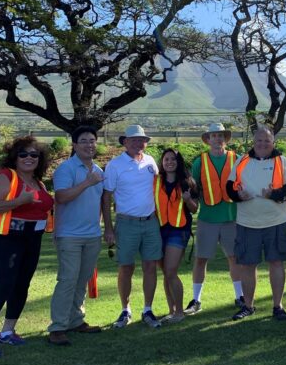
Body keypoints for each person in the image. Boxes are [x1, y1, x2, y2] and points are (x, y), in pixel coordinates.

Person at [0, 136, 54, 358]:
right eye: (23, 154)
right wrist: (19, 201)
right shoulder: (6, 177)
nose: (29, 158)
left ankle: (7, 332)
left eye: (34, 154)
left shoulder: (39, 182)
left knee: (21, 285)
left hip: (32, 238)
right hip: (5, 236)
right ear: (14, 157)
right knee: (3, 285)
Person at [226, 126, 286, 321]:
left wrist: (273, 195)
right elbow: (229, 187)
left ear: (273, 142)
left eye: (267, 141)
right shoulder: (242, 161)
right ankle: (248, 306)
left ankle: (278, 306)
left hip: (276, 221)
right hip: (247, 223)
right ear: (253, 142)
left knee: (276, 262)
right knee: (248, 265)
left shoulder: (282, 161)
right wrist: (238, 196)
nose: (263, 144)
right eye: (259, 140)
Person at [47, 126, 105, 347]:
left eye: (92, 140)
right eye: (84, 141)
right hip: (69, 235)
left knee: (82, 279)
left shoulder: (99, 170)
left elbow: (100, 203)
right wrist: (86, 183)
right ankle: (57, 327)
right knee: (67, 280)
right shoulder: (66, 169)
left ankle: (76, 320)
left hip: (92, 235)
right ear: (74, 145)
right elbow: (61, 197)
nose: (89, 144)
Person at [103, 125, 163, 329]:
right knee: (126, 267)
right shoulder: (115, 165)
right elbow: (106, 196)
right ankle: (125, 309)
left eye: (142, 140)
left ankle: (148, 309)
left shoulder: (150, 161)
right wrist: (108, 228)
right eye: (134, 140)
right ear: (125, 142)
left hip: (150, 222)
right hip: (126, 223)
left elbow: (157, 187)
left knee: (150, 266)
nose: (139, 143)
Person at [186, 124, 241, 315]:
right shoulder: (199, 162)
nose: (217, 139)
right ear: (208, 140)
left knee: (234, 258)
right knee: (201, 259)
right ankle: (196, 300)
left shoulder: (237, 159)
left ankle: (239, 296)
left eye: (220, 136)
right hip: (207, 218)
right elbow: (194, 190)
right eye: (213, 135)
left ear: (225, 139)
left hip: (231, 217)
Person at [155, 147, 198, 323]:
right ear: (162, 162)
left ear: (178, 162)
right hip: (158, 230)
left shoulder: (187, 182)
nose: (169, 162)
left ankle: (179, 312)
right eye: (166, 159)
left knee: (171, 271)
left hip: (179, 230)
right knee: (165, 272)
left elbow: (194, 209)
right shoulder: (156, 181)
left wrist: (188, 200)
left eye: (173, 159)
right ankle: (171, 310)